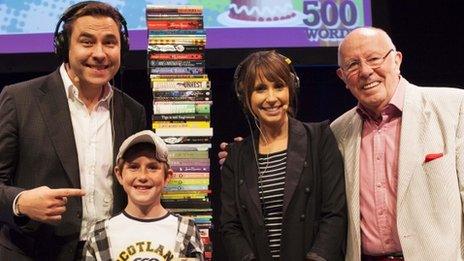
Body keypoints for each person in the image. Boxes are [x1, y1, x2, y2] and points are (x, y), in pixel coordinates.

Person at [0, 1, 146, 260]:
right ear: (64, 47)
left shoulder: (133, 111)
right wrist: (19, 201)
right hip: (32, 252)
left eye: (110, 43)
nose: (100, 54)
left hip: (109, 252)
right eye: (87, 42)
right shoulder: (19, 99)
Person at [332, 27, 464, 260]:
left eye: (374, 59)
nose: (365, 71)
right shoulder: (338, 132)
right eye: (352, 65)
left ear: (396, 60)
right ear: (342, 77)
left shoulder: (455, 107)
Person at [220, 50, 347, 261]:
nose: (271, 98)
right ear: (246, 97)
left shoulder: (320, 138)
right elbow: (230, 226)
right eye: (261, 89)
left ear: (291, 89)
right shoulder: (235, 156)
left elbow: (334, 214)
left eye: (279, 86)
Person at [83, 130, 204, 260]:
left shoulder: (187, 230)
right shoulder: (100, 234)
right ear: (119, 175)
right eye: (133, 167)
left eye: (152, 167)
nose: (142, 176)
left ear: (167, 176)